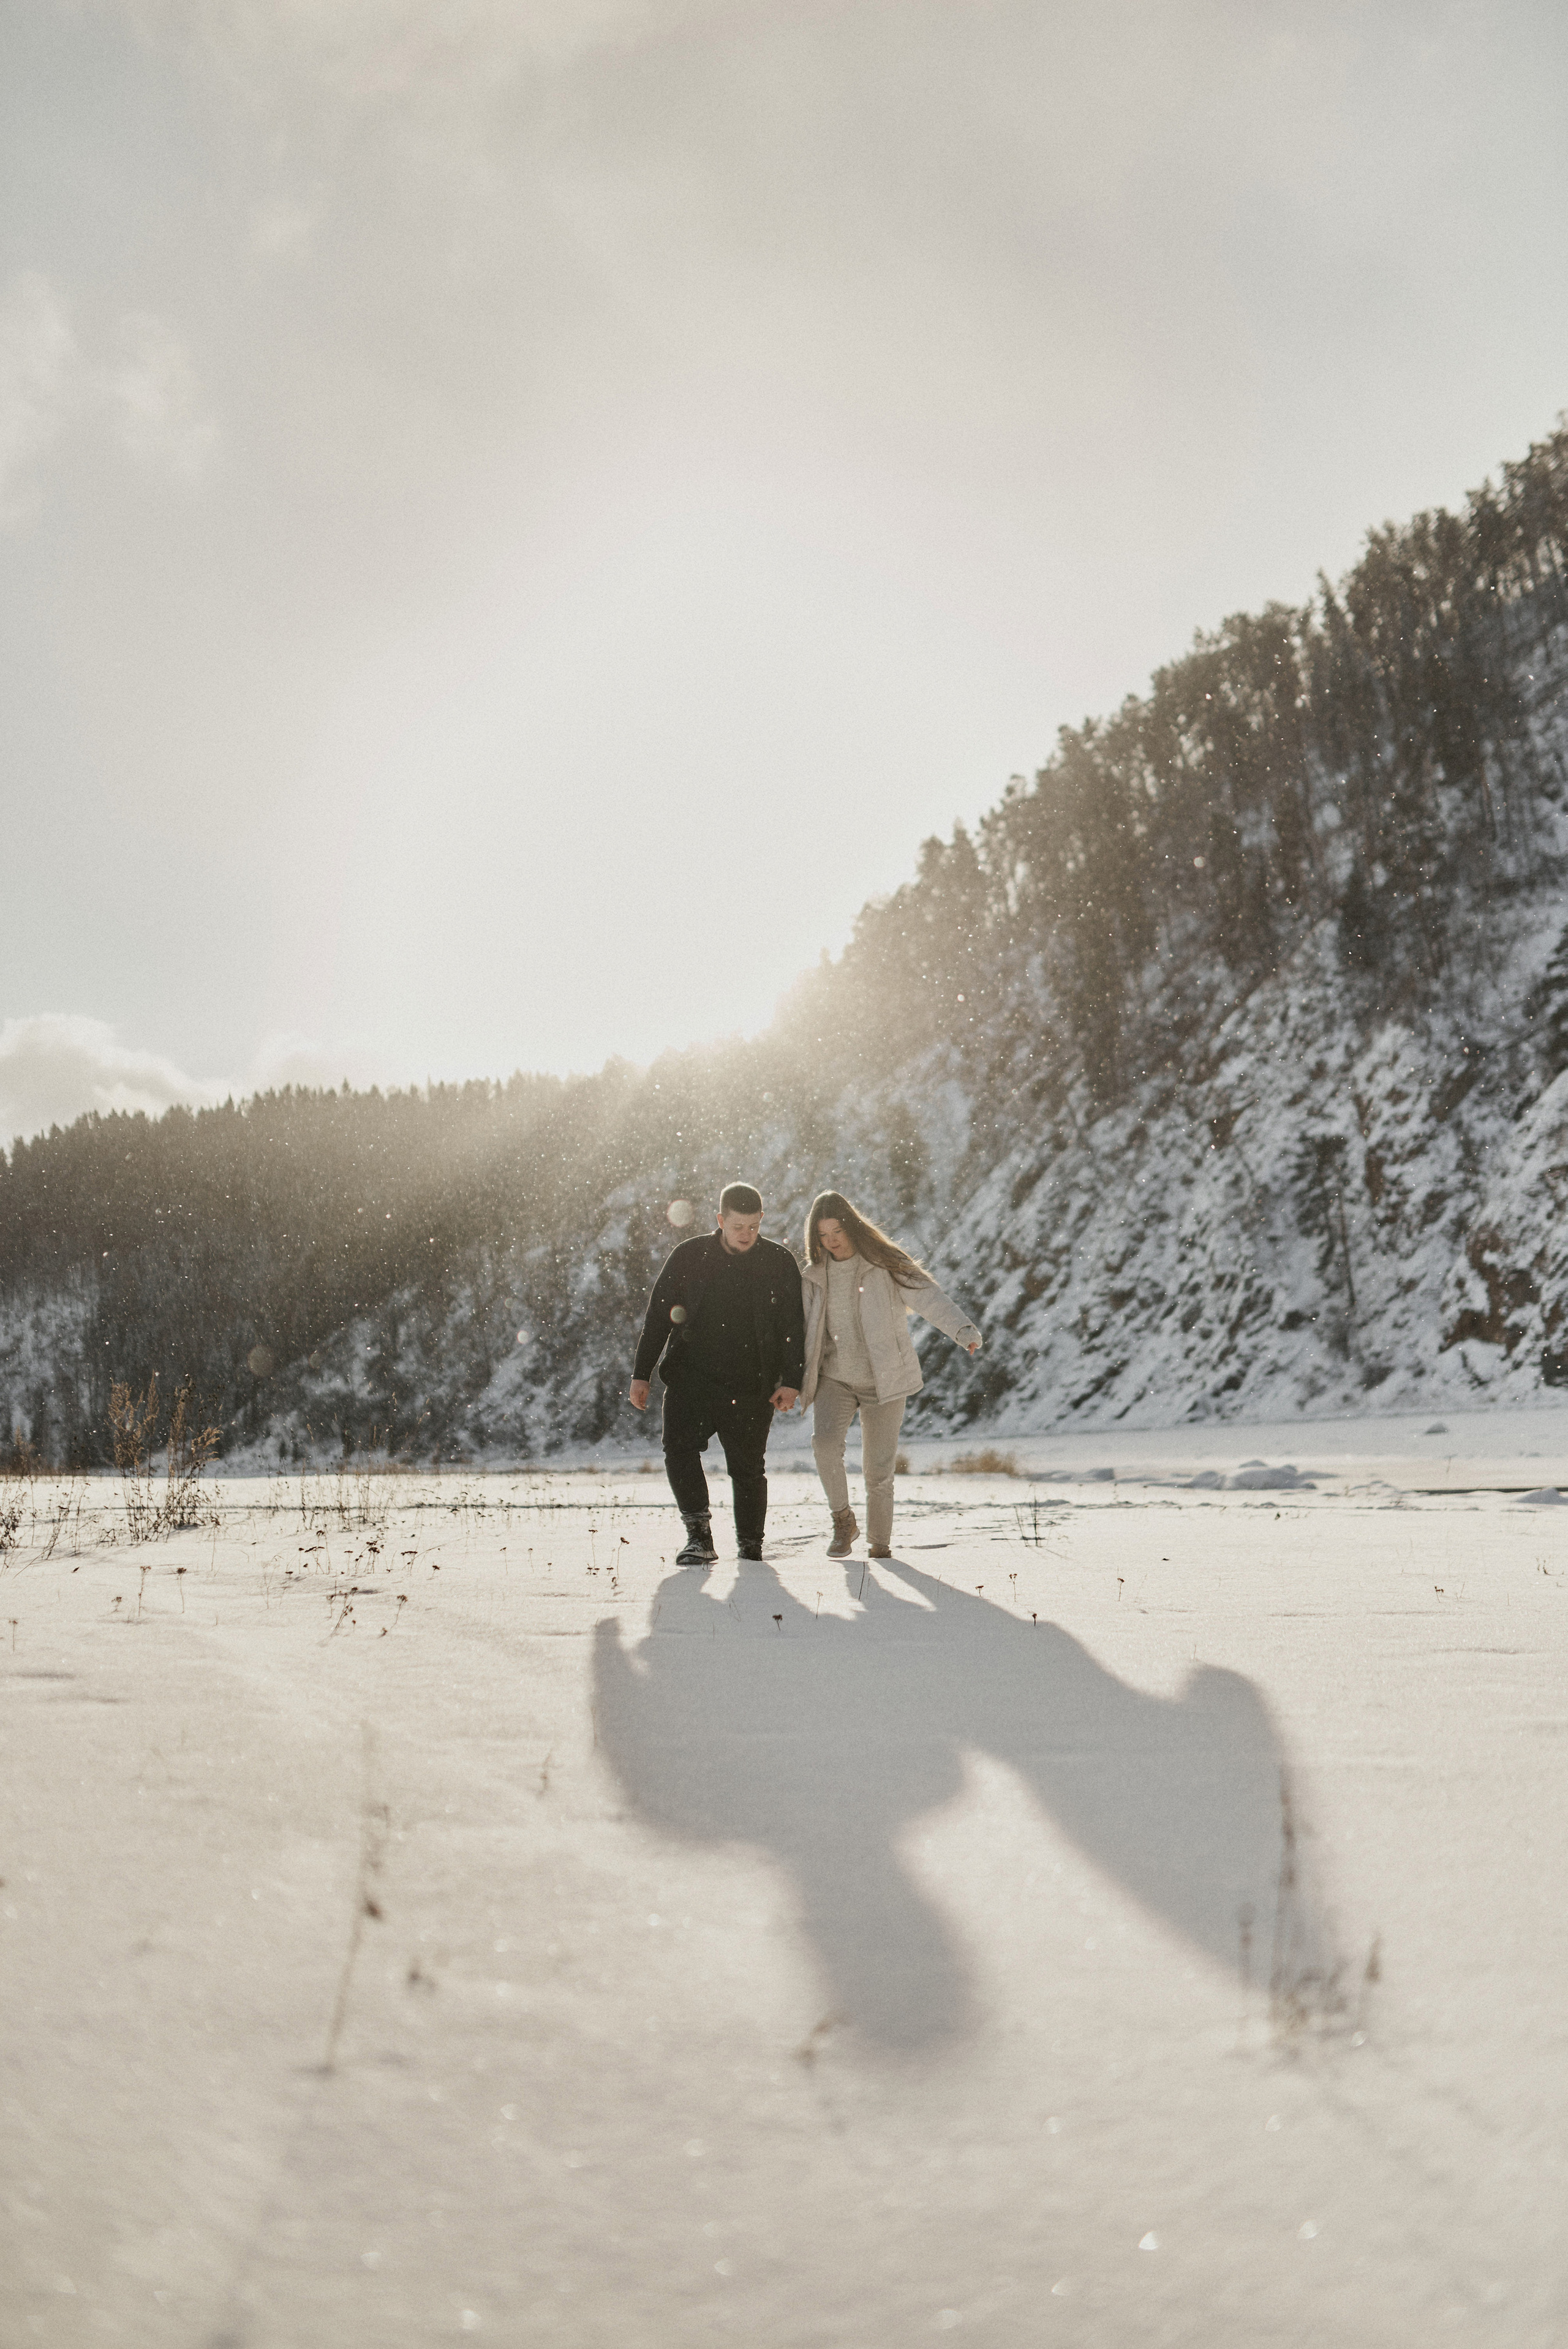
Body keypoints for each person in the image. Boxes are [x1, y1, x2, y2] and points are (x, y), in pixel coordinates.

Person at [629, 1183, 805, 1565]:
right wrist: (641, 1373)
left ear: (762, 1221)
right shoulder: (690, 1256)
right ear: (721, 1220)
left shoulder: (778, 1262)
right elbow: (659, 1317)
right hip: (690, 1377)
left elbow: (794, 1326)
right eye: (738, 1226)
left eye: (754, 1227)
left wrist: (792, 1380)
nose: (746, 1235)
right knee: (678, 1450)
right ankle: (699, 1537)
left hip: (752, 1382)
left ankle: (750, 1547)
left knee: (747, 1468)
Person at [801, 1190, 981, 1560]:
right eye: (823, 1234)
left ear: (852, 1226)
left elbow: (928, 1296)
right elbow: (798, 1330)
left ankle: (879, 1544)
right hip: (835, 1377)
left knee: (878, 1469)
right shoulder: (814, 1277)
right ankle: (843, 1521)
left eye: (837, 1230)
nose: (832, 1239)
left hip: (885, 1379)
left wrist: (962, 1331)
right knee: (824, 1446)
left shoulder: (885, 1263)